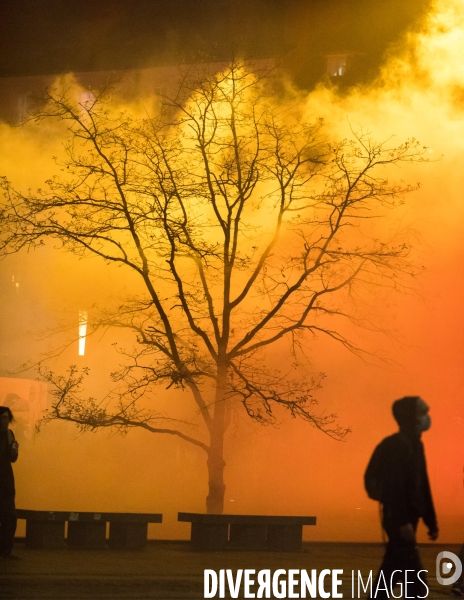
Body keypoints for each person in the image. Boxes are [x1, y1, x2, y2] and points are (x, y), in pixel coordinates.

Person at [365, 396, 438, 599]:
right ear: (410, 418)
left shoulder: (416, 446)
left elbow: (423, 485)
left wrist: (431, 521)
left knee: (393, 569)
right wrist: (402, 521)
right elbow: (395, 488)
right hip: (398, 520)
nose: (426, 418)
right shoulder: (397, 447)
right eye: (422, 413)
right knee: (414, 582)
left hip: (405, 519)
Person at [0, 406, 19, 559]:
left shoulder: (9, 434)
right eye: (1, 417)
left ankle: (6, 550)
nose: (3, 421)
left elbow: (12, 458)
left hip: (6, 480)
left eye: (5, 417)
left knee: (10, 516)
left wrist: (14, 452)